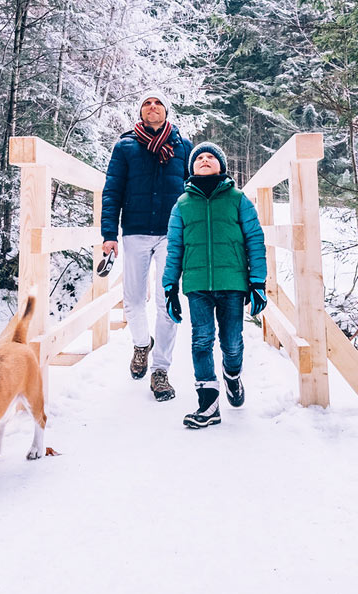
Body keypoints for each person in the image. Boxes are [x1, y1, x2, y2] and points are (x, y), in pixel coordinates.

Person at [162, 142, 267, 429]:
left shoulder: (238, 199)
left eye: (211, 157)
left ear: (222, 166)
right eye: (199, 158)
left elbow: (255, 242)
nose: (205, 160)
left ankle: (232, 376)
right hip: (197, 285)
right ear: (191, 167)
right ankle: (208, 403)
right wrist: (170, 286)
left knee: (232, 343)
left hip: (233, 283)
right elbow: (174, 249)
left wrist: (258, 282)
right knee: (201, 340)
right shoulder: (182, 204)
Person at [100, 90, 193, 402]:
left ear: (167, 111)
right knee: (133, 301)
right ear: (140, 113)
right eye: (146, 103)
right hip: (136, 231)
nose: (152, 107)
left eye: (158, 103)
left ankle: (161, 370)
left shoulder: (183, 146)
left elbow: (195, 190)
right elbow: (112, 190)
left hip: (172, 232)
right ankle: (142, 344)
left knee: (168, 302)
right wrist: (109, 234)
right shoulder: (126, 146)